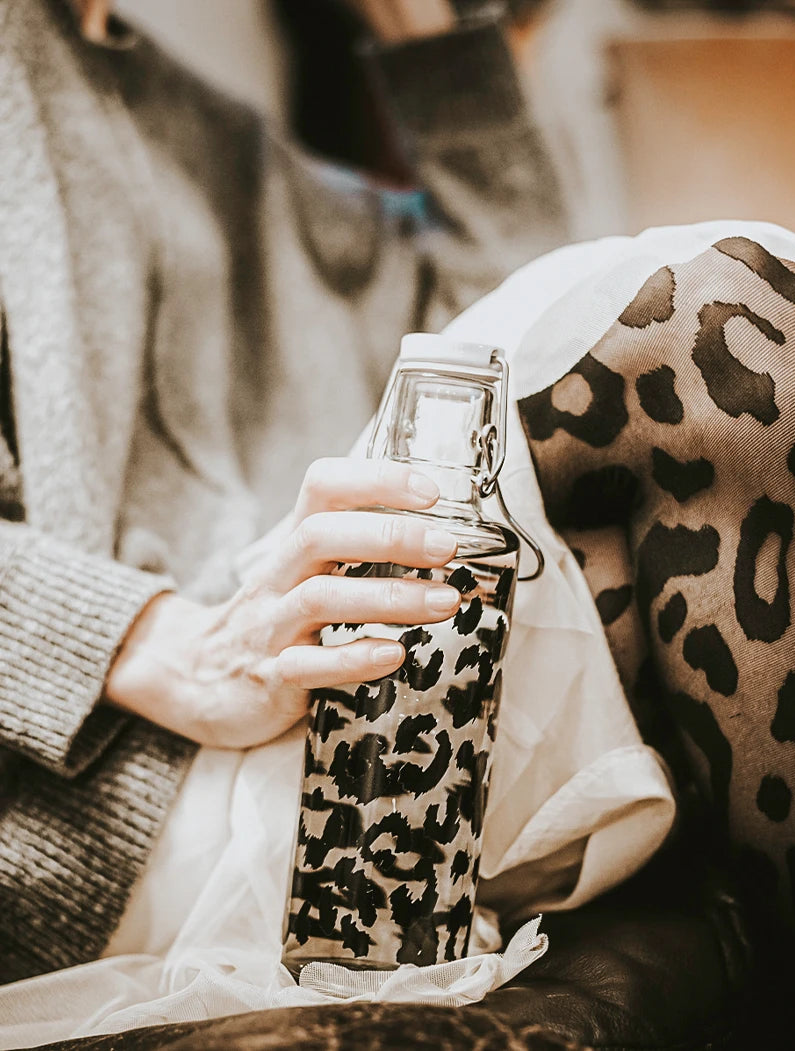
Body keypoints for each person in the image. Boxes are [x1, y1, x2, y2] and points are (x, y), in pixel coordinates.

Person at [0, 0, 568, 985]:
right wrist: (151, 637)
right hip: (99, 809)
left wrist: (443, 58)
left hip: (334, 741)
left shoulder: (223, 143)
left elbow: (538, 373)